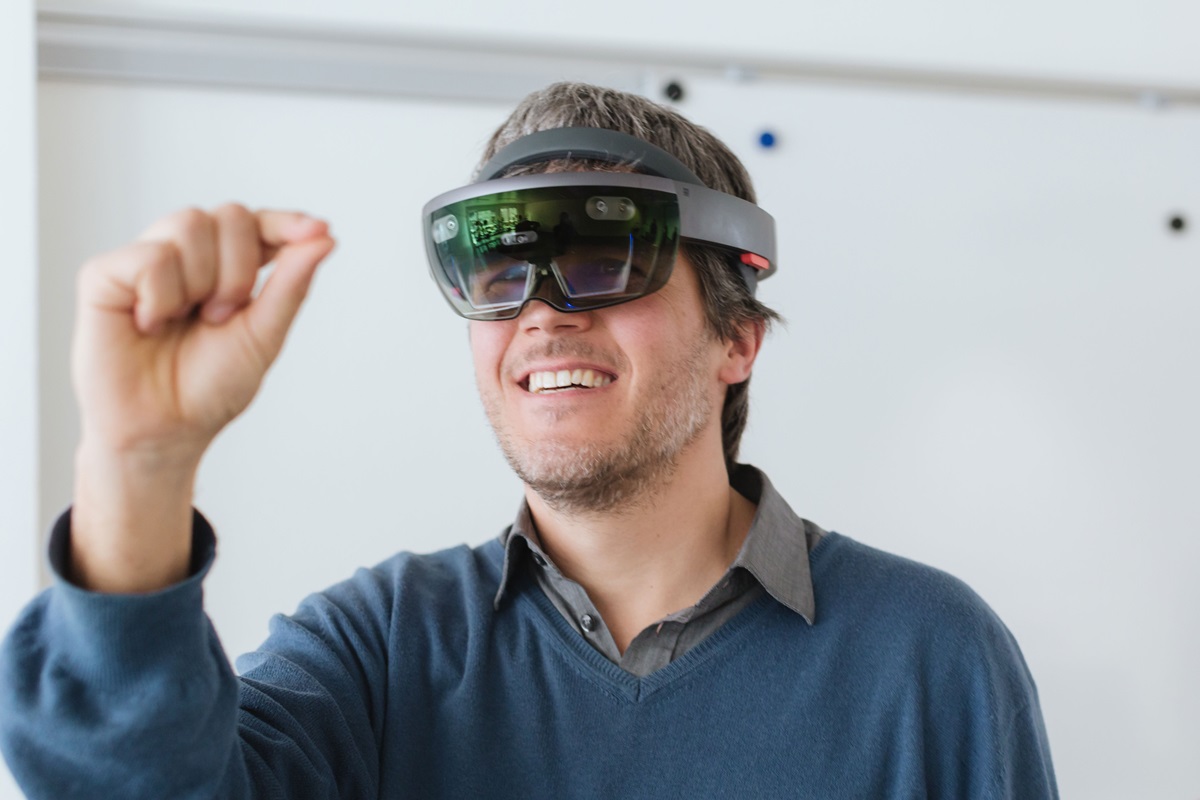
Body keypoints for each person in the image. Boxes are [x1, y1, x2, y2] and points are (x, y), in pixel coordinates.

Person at [0, 83, 1058, 798]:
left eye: (606, 259)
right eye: (503, 273)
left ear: (737, 338)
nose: (542, 313)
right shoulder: (379, 652)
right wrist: (138, 464)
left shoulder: (931, 656)